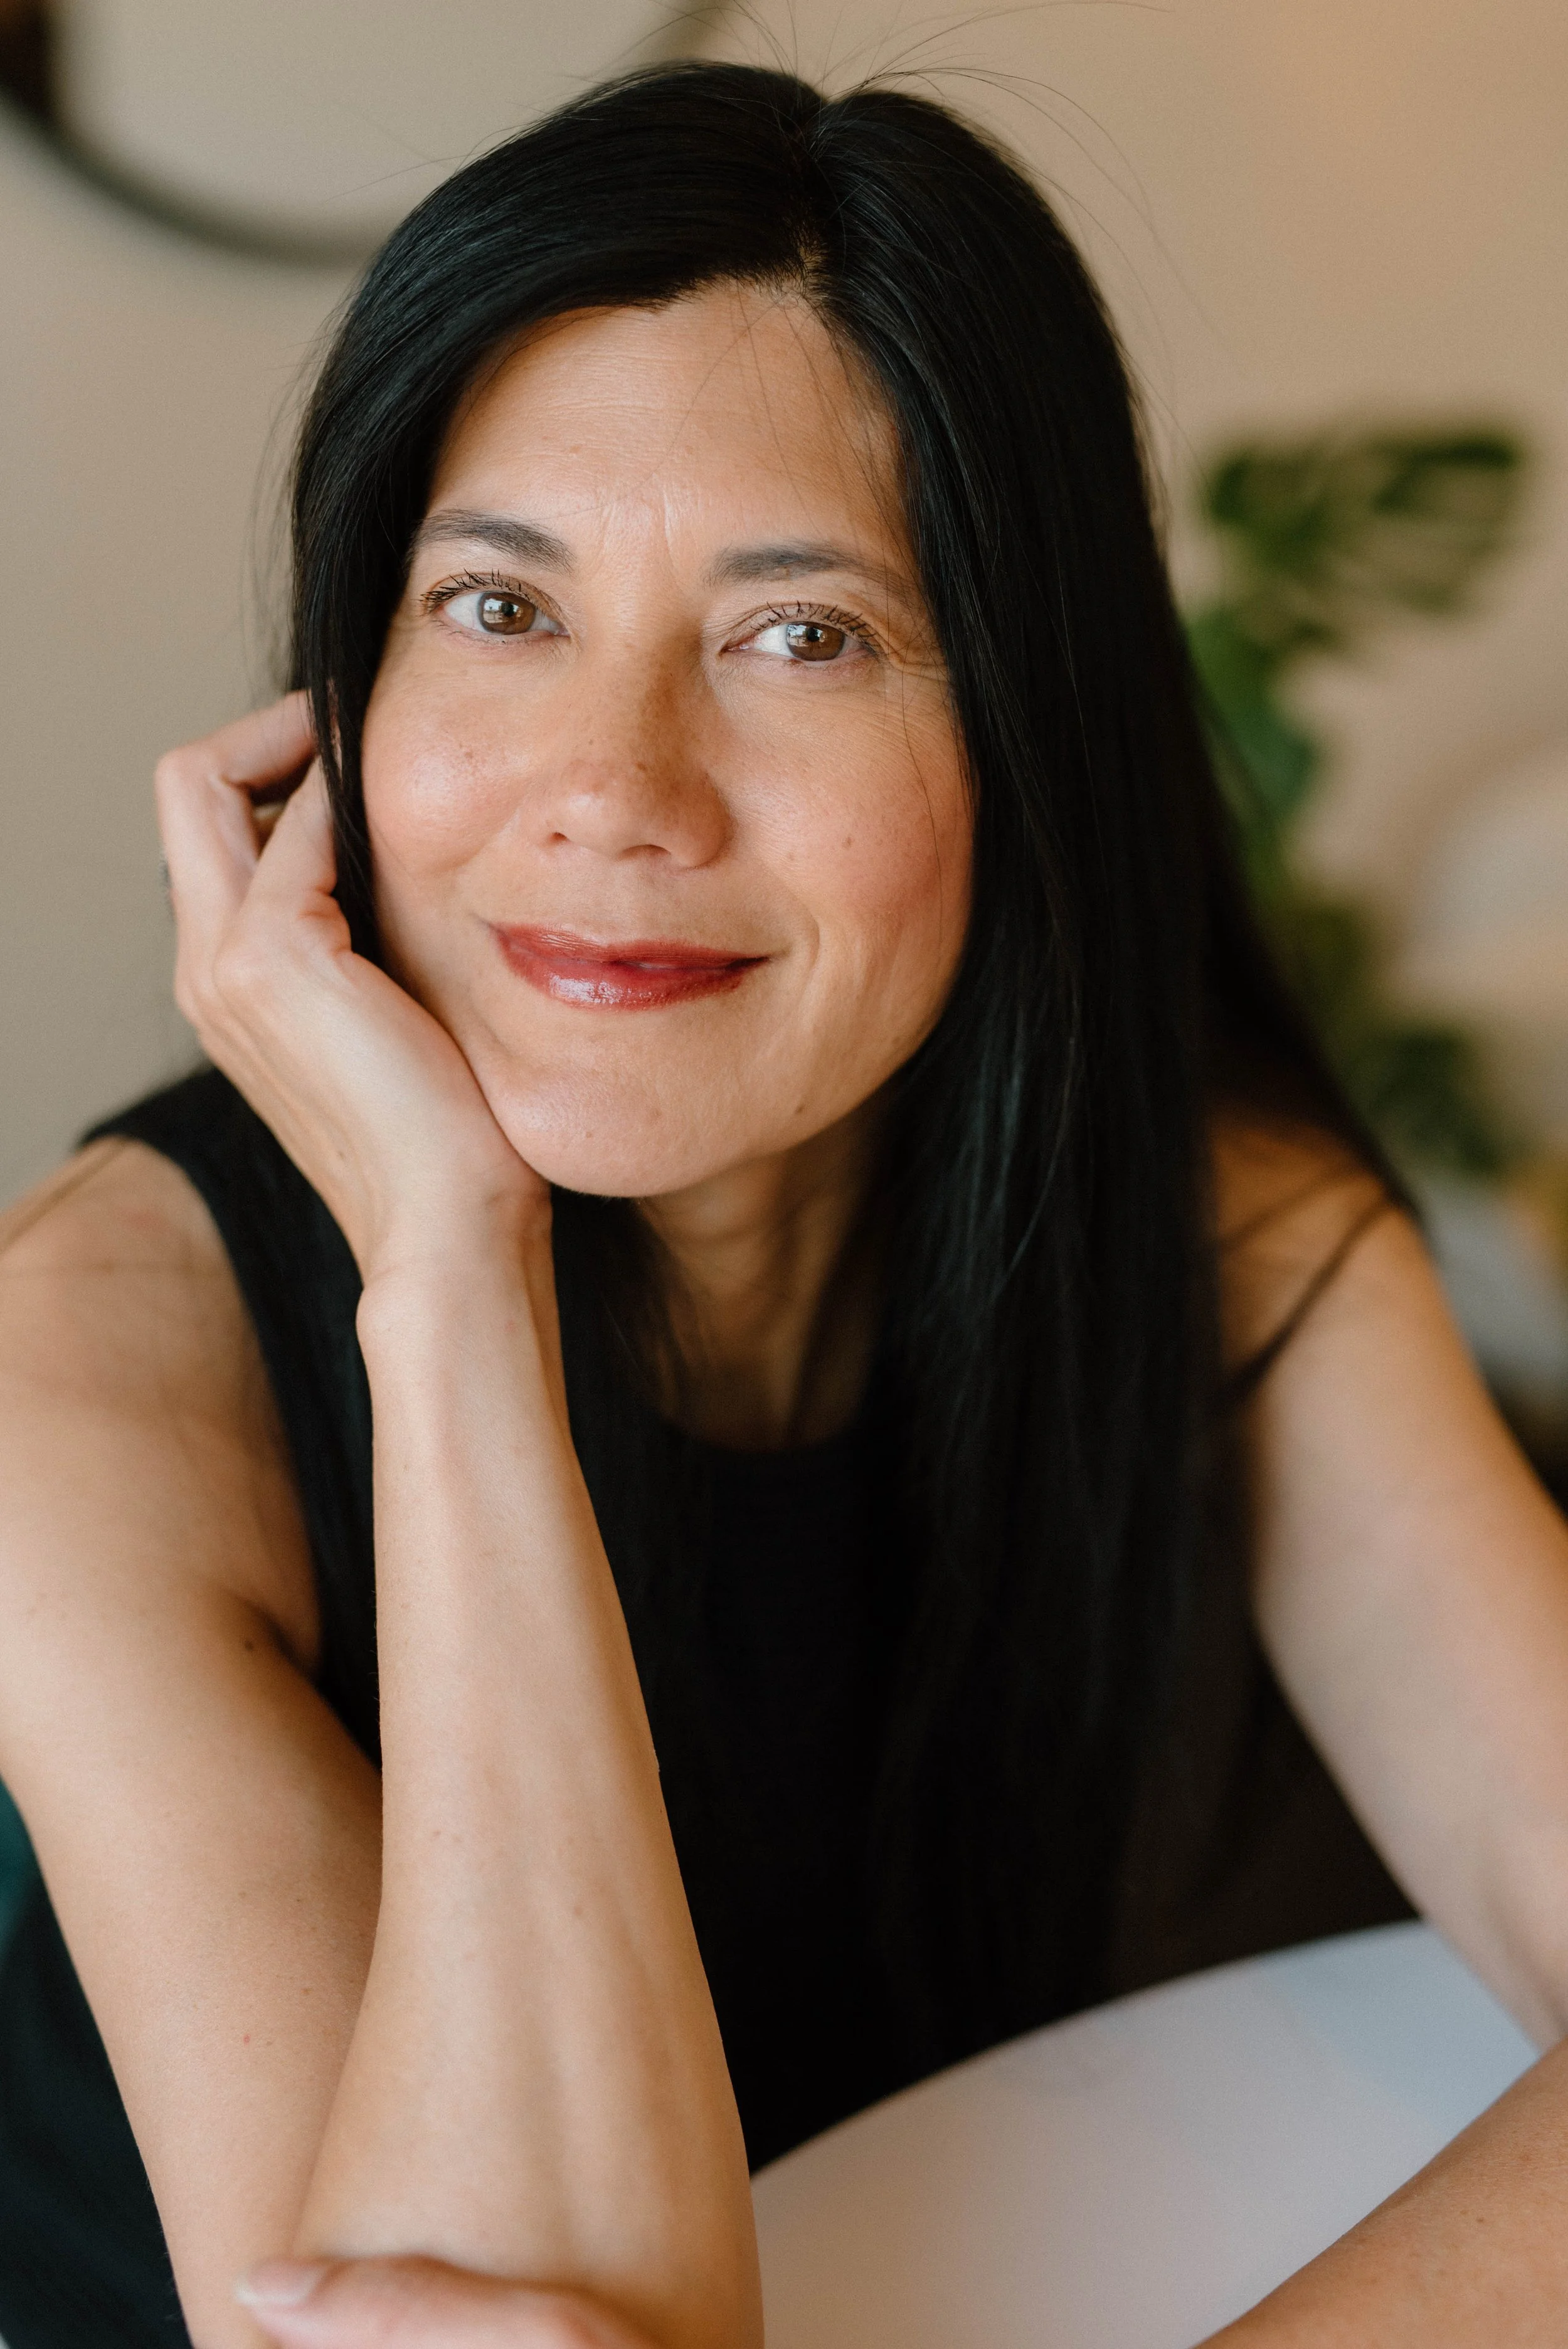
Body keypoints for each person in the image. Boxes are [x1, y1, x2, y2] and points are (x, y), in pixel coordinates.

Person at [4, 58, 1568, 2349]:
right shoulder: (84, 1366)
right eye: (498, 607)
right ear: (340, 695)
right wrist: (447, 1281)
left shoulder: (1210, 1224)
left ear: (1020, 732)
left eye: (799, 633)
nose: (615, 793)